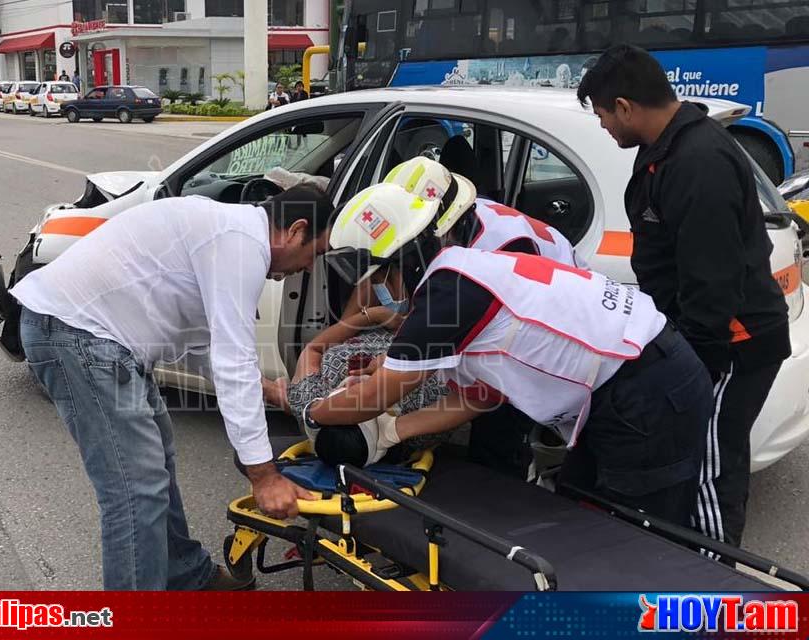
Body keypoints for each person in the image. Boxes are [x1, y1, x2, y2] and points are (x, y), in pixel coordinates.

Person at [304, 183, 715, 530]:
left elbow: (376, 396)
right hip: (630, 380)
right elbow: (479, 397)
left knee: (637, 539)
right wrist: (396, 430)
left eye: (380, 275)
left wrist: (316, 412)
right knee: (581, 511)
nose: (380, 289)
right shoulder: (460, 277)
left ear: (404, 261)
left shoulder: (451, 295)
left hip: (648, 389)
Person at [9, 186, 333, 590]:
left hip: (96, 338)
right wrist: (264, 476)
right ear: (295, 231)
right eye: (314, 253)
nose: (308, 266)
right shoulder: (241, 244)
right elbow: (232, 360)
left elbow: (205, 347)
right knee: (135, 491)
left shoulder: (230, 233)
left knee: (155, 463)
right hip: (77, 334)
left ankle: (182, 575)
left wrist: (266, 389)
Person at [577, 44, 791, 547]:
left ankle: (717, 583)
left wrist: (698, 364)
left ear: (626, 107)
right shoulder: (669, 152)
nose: (605, 127)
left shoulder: (699, 161)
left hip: (730, 344)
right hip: (709, 336)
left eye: (605, 115)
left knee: (712, 465)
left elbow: (711, 279)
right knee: (698, 458)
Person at [382, 155, 584, 478]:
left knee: (500, 429)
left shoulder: (501, 249)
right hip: (544, 323)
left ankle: (506, 492)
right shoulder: (463, 219)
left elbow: (490, 383)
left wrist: (392, 426)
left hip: (560, 335)